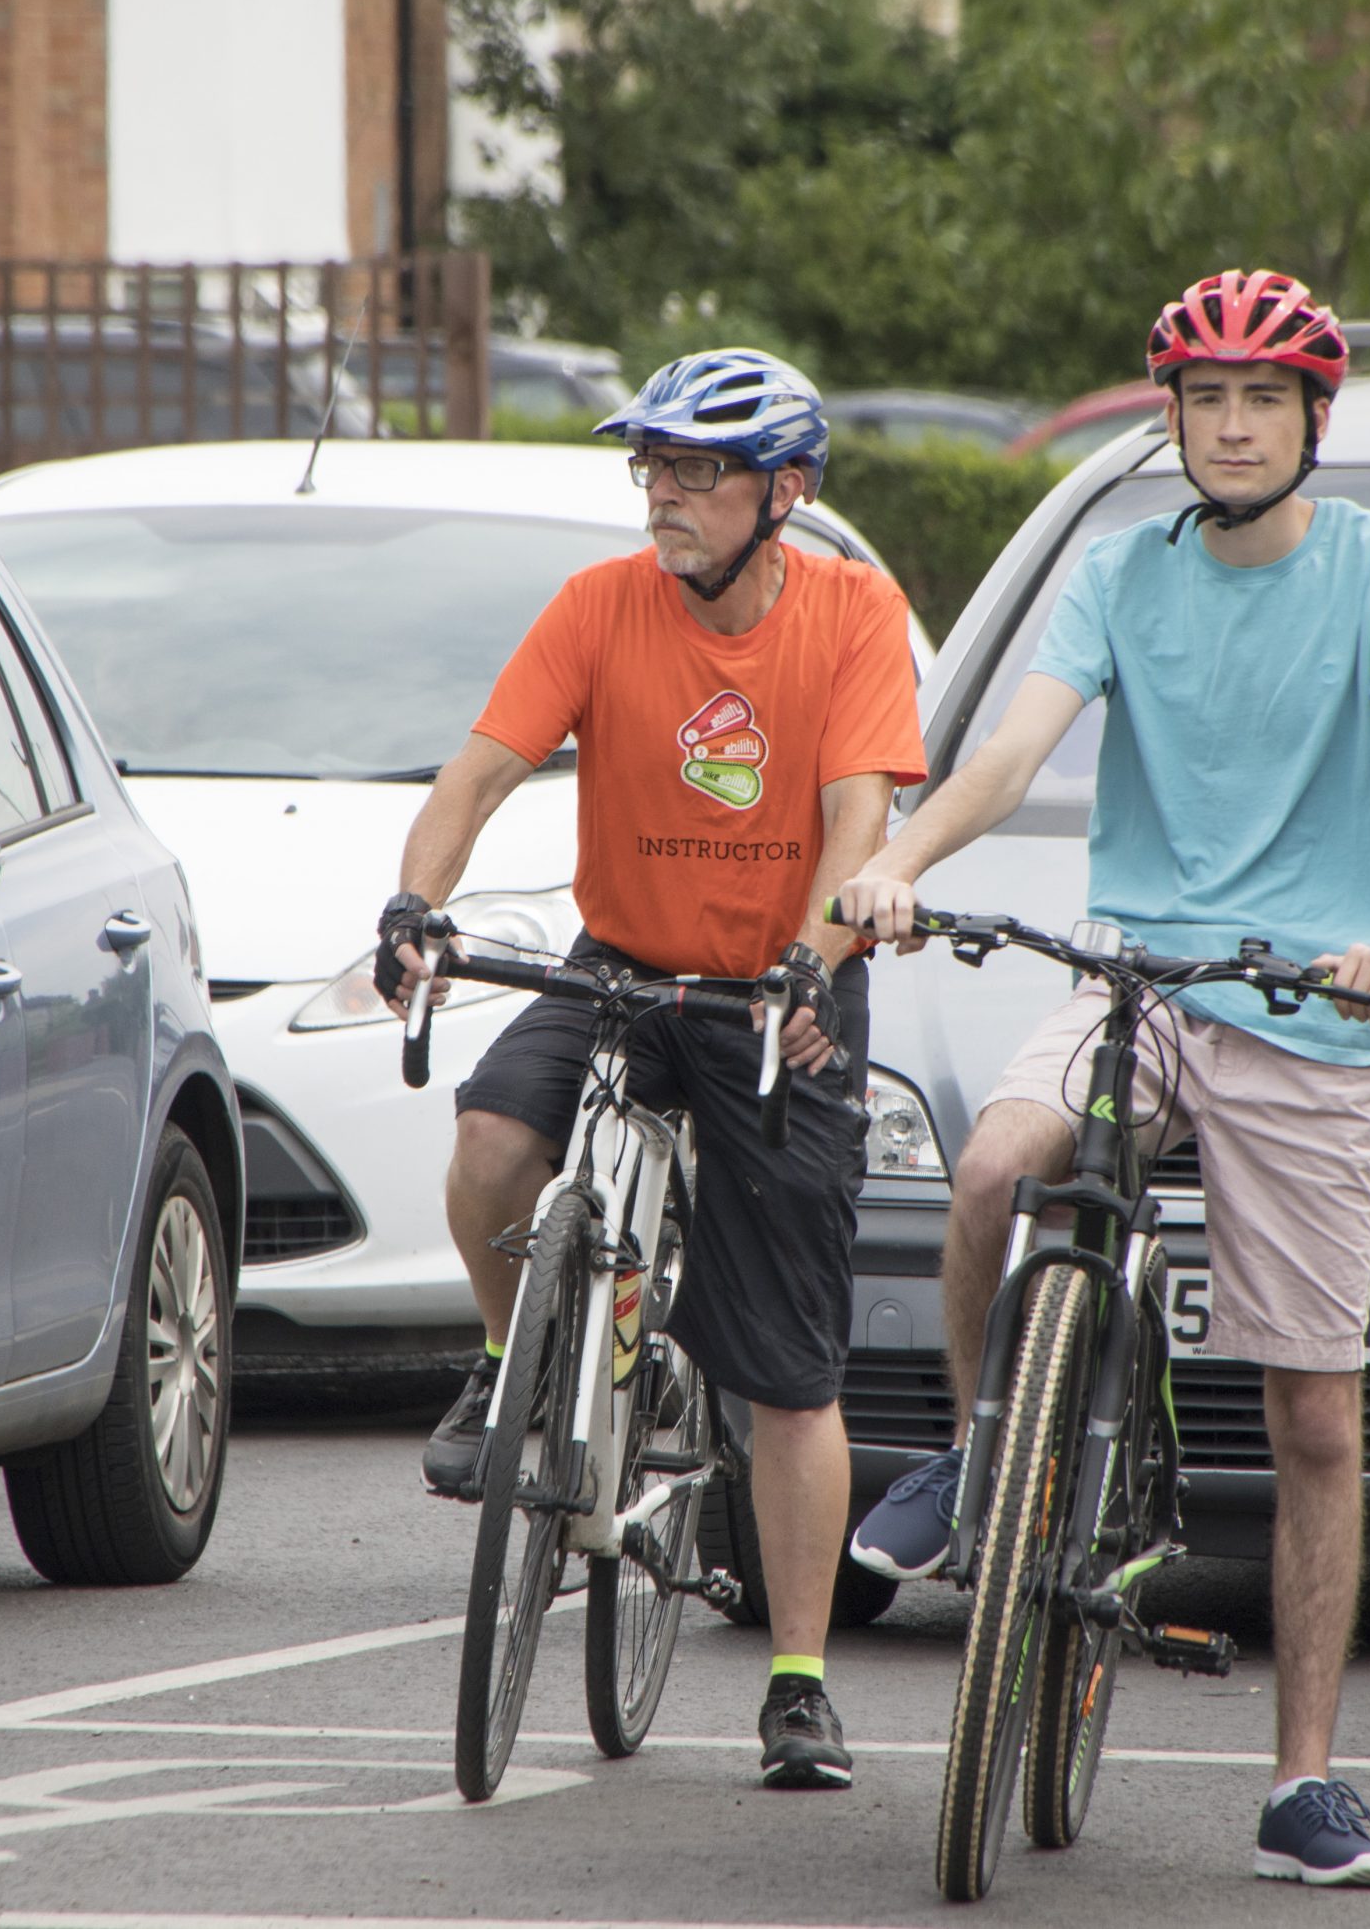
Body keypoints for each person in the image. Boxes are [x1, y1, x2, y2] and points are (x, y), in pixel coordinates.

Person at [839, 271, 1370, 1887]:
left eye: (1265, 398)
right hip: (1146, 972)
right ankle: (989, 1453)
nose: (1234, 424)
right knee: (991, 1169)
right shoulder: (1120, 569)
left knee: (1315, 1411)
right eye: (1206, 400)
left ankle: (1302, 1783)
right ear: (1169, 419)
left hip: (1313, 1005)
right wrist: (894, 863)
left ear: (1314, 418)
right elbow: (1005, 755)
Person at [376, 348, 926, 1791]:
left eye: (697, 473)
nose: (664, 499)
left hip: (780, 989)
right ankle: (513, 1364)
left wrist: (823, 957)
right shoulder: (600, 605)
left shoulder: (857, 613)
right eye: (654, 469)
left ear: (783, 494)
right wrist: (412, 907)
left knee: (793, 1372)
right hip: (624, 960)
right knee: (495, 1139)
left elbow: (859, 818)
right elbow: (478, 772)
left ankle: (800, 1681)